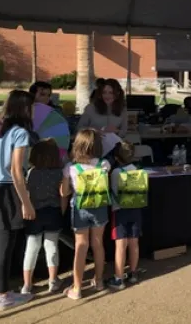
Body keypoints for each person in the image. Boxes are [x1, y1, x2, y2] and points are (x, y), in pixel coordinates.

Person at [0, 90, 36, 311]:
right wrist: (26, 202)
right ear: (24, 108)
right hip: (8, 188)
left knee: (3, 239)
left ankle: (1, 287)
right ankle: (3, 294)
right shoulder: (19, 133)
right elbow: (17, 171)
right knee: (6, 241)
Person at [63, 129, 111, 300]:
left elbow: (64, 192)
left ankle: (77, 287)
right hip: (100, 207)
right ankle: (98, 281)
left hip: (79, 208)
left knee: (80, 246)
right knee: (98, 244)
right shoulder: (104, 164)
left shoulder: (71, 168)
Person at [22, 138, 70, 294]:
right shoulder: (59, 173)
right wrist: (61, 212)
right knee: (52, 246)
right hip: (53, 211)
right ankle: (53, 280)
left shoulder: (31, 172)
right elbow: (63, 196)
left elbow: (27, 194)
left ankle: (27, 284)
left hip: (35, 212)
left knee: (32, 247)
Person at [106, 142, 147, 290]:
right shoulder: (137, 169)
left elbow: (112, 191)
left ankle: (118, 278)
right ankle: (133, 272)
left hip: (120, 212)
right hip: (136, 210)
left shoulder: (116, 172)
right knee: (134, 242)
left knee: (120, 245)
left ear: (116, 157)